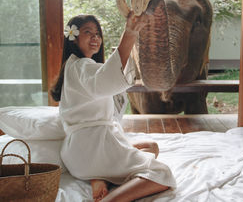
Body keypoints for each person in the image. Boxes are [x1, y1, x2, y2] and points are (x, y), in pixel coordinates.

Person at [51, 14, 176, 202]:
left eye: (97, 34)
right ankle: (112, 199)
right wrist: (130, 33)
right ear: (74, 38)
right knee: (161, 173)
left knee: (151, 147)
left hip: (76, 155)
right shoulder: (82, 65)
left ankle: (100, 177)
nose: (95, 38)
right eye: (88, 32)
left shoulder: (72, 66)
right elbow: (105, 80)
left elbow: (105, 78)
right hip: (93, 148)